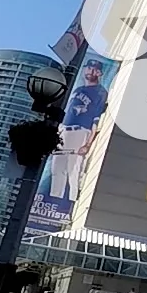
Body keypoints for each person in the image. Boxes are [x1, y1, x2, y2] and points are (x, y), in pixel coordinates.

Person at [49, 60, 108, 203]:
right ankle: (54, 200)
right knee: (57, 170)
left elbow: (96, 120)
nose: (90, 71)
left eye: (94, 69)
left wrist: (88, 144)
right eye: (88, 68)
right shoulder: (78, 90)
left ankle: (71, 202)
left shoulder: (100, 92)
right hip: (64, 131)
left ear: (99, 73)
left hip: (80, 132)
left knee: (73, 171)